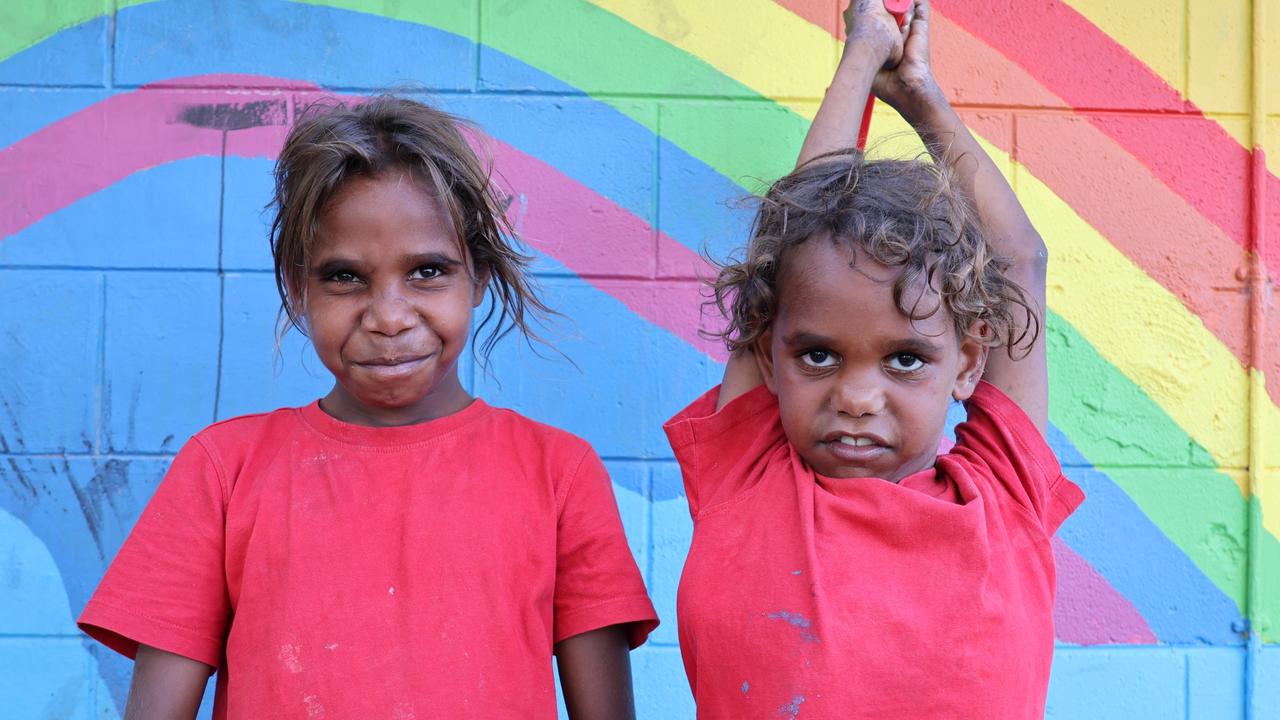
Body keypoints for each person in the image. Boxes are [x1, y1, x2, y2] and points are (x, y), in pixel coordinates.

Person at [78, 96, 657, 720]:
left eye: (428, 271)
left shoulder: (558, 473)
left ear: (480, 276)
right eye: (345, 277)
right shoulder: (223, 471)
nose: (388, 317)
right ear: (298, 288)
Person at [664, 1, 1084, 716]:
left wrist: (919, 95)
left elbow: (1020, 261)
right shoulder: (747, 475)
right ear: (769, 356)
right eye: (820, 356)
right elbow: (790, 240)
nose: (857, 396)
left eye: (906, 361)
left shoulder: (1001, 495)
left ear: (969, 362)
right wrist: (861, 56)